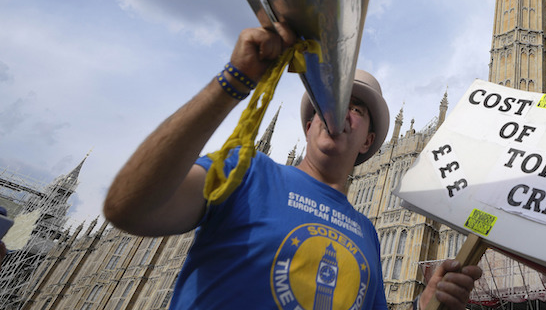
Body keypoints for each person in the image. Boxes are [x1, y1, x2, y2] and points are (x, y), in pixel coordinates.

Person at [103, 24, 481, 310]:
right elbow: (129, 207)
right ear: (309, 123)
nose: (340, 112)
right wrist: (232, 81)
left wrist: (425, 305)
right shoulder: (246, 173)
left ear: (368, 140)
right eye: (330, 101)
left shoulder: (366, 233)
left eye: (356, 108)